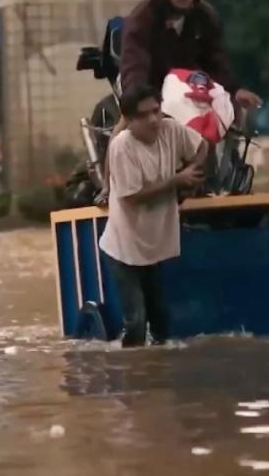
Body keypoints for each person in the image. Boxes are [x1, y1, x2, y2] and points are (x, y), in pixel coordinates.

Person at [99, 0, 262, 200]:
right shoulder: (142, 19)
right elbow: (135, 64)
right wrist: (140, 102)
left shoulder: (205, 17)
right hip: (149, 86)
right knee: (124, 126)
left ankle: (221, 179)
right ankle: (108, 186)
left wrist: (234, 89)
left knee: (231, 117)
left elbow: (216, 59)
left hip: (190, 88)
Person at [98, 85, 209, 347]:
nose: (153, 120)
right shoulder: (121, 147)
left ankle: (156, 379)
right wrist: (177, 180)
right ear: (130, 120)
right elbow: (132, 196)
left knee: (161, 319)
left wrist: (192, 171)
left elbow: (202, 146)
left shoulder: (170, 129)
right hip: (123, 248)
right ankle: (133, 379)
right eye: (144, 115)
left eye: (157, 111)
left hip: (155, 245)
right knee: (136, 320)